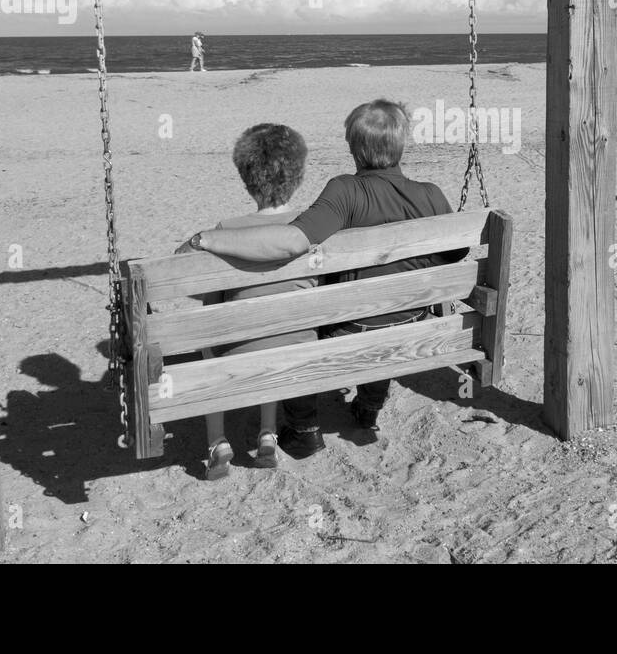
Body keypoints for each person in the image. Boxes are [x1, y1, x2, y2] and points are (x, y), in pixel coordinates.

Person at [181, 99, 463, 460]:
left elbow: (293, 241)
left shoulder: (344, 191)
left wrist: (206, 239)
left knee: (304, 326)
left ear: (353, 147)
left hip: (352, 327)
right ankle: (368, 407)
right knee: (384, 312)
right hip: (411, 322)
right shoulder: (432, 194)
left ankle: (304, 431)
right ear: (401, 145)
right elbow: (456, 255)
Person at [176, 123, 314, 477]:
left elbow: (177, 274)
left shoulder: (226, 231)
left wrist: (201, 239)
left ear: (245, 176)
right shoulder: (315, 223)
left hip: (239, 352)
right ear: (298, 174)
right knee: (277, 322)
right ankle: (267, 435)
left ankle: (218, 442)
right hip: (300, 345)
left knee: (213, 334)